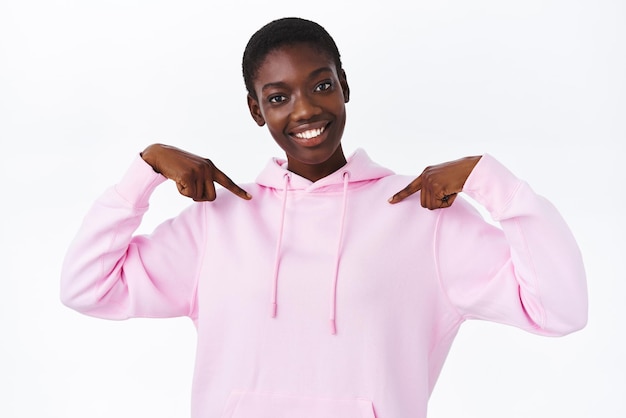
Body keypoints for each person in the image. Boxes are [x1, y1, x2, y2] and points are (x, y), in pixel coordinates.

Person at [60, 17, 588, 418]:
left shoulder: (422, 217)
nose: (306, 110)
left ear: (344, 86)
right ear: (255, 110)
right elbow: (86, 287)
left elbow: (560, 310)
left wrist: (489, 180)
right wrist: (145, 168)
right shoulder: (217, 221)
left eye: (321, 85)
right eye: (279, 97)